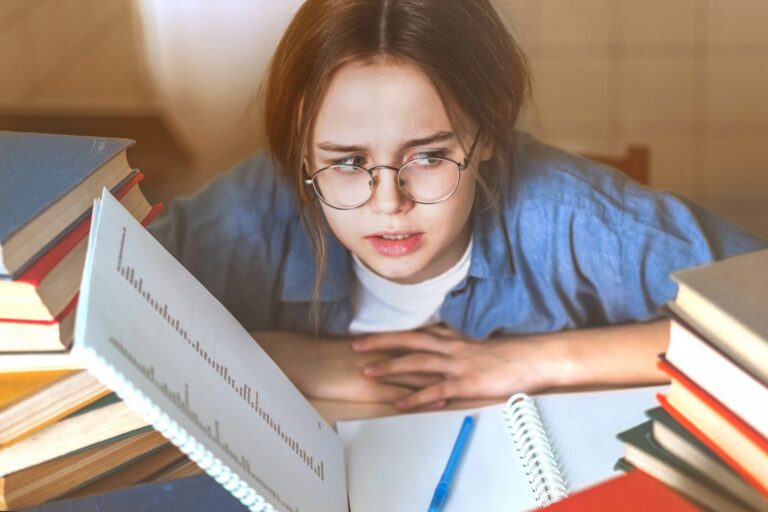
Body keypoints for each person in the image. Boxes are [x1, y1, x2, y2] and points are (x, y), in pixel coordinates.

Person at [149, 0, 766, 412]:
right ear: (299, 152)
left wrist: (532, 362)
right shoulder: (255, 211)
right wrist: (285, 358)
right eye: (346, 162)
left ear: (489, 130)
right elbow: (79, 314)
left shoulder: (569, 214)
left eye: (428, 156)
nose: (389, 203)